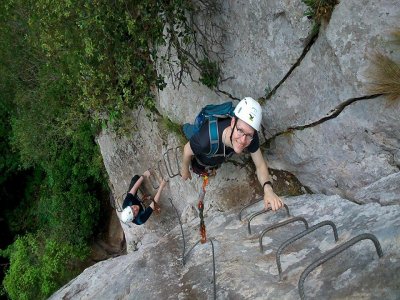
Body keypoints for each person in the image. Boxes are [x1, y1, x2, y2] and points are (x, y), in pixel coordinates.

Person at [181, 97, 283, 211]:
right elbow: (187, 149)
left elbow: (260, 165)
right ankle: (183, 127)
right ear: (233, 122)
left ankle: (209, 167)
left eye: (249, 135)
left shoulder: (250, 136)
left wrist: (268, 190)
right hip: (203, 142)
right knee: (191, 138)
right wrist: (185, 169)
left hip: (216, 150)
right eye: (240, 130)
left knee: (212, 159)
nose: (243, 140)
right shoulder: (205, 140)